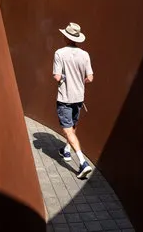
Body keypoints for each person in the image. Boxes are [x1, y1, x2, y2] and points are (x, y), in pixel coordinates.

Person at [53, 22, 94, 179]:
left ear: (65, 37)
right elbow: (90, 78)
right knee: (73, 127)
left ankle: (83, 163)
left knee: (67, 129)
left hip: (65, 98)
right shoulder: (85, 55)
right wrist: (78, 80)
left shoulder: (59, 53)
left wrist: (64, 78)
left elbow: (57, 76)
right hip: (79, 98)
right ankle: (66, 150)